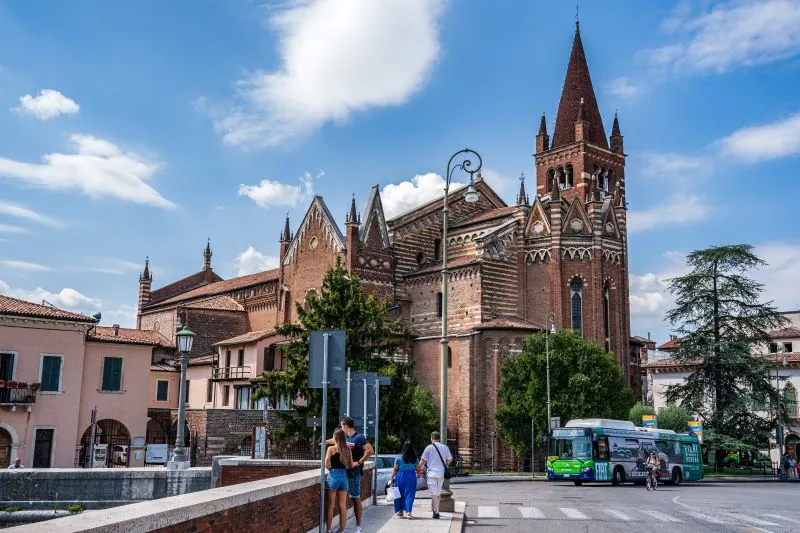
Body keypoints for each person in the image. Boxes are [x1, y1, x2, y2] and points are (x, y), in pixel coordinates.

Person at [340, 417, 373, 533]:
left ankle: (358, 526)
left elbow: (370, 451)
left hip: (354, 473)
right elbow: (334, 441)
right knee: (342, 499)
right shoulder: (344, 437)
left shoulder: (359, 437)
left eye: (341, 426)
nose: (341, 428)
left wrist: (358, 462)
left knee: (355, 498)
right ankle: (342, 528)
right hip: (343, 472)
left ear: (345, 425)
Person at [419, 431, 452, 519]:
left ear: (431, 438)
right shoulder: (444, 447)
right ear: (439, 438)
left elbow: (423, 461)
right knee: (437, 492)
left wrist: (418, 470)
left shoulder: (428, 448)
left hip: (431, 473)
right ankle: (435, 509)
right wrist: (445, 465)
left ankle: (437, 512)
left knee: (434, 493)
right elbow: (450, 459)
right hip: (441, 473)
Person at [324, 429, 352, 533]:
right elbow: (351, 464)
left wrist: (331, 470)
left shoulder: (331, 449)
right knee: (342, 505)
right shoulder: (348, 449)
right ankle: (341, 530)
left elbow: (326, 463)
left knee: (331, 505)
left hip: (334, 476)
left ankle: (329, 530)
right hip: (344, 477)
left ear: (335, 437)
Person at [389, 441, 421, 519]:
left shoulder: (399, 458)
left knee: (399, 493)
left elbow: (395, 469)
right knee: (409, 494)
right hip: (411, 477)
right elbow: (418, 469)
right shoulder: (414, 458)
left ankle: (400, 511)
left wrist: (391, 478)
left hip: (400, 476)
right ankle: (408, 512)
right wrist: (418, 475)